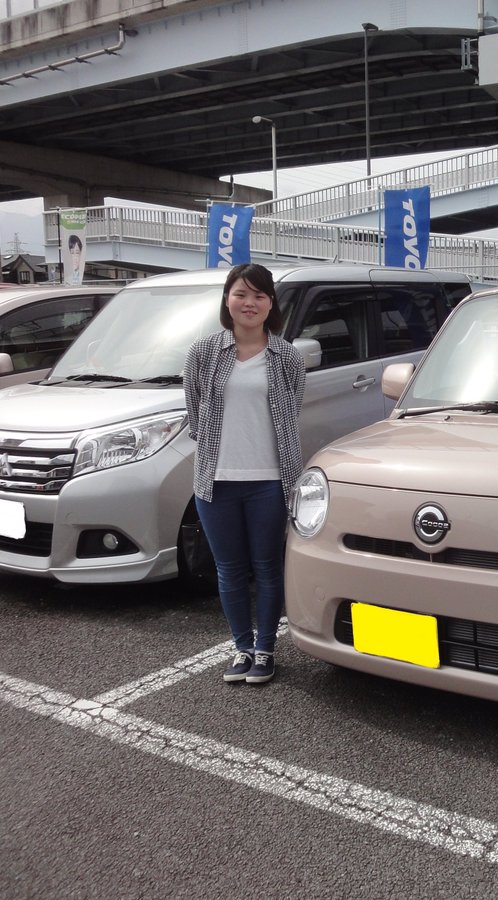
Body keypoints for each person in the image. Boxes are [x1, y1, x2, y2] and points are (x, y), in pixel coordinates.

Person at [183, 263, 305, 684]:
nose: (249, 303)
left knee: (267, 566)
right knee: (230, 569)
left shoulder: (287, 355)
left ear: (271, 303)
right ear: (227, 300)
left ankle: (266, 648)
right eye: (240, 294)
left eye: (258, 295)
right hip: (215, 480)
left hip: (271, 479)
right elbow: (196, 416)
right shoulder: (202, 353)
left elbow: (291, 413)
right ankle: (242, 647)